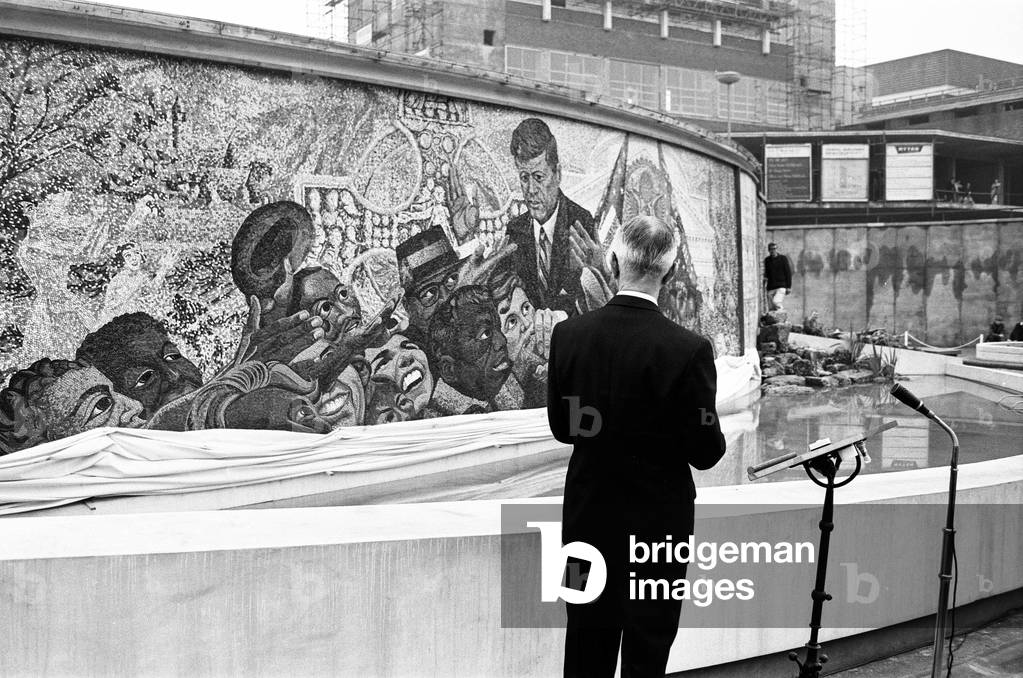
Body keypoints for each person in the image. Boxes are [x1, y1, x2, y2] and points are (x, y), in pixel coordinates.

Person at [546, 215, 726, 678]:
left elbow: (563, 429)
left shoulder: (568, 336)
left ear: (612, 262)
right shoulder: (688, 350)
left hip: (586, 521)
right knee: (649, 645)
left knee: (584, 640)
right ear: (672, 269)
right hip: (660, 530)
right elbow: (706, 452)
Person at [505, 118, 605, 316]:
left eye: (538, 177)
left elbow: (592, 300)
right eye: (524, 178)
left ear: (557, 174)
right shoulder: (515, 230)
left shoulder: (580, 223)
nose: (531, 190)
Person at [763, 242, 792, 311]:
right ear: (768, 250)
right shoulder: (767, 260)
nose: (773, 250)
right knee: (771, 308)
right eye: (771, 249)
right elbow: (766, 272)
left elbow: (788, 273)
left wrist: (788, 287)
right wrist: (765, 279)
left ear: (776, 249)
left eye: (774, 249)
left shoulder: (783, 258)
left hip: (781, 286)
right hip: (770, 287)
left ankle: (782, 314)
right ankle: (775, 317)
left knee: (776, 302)